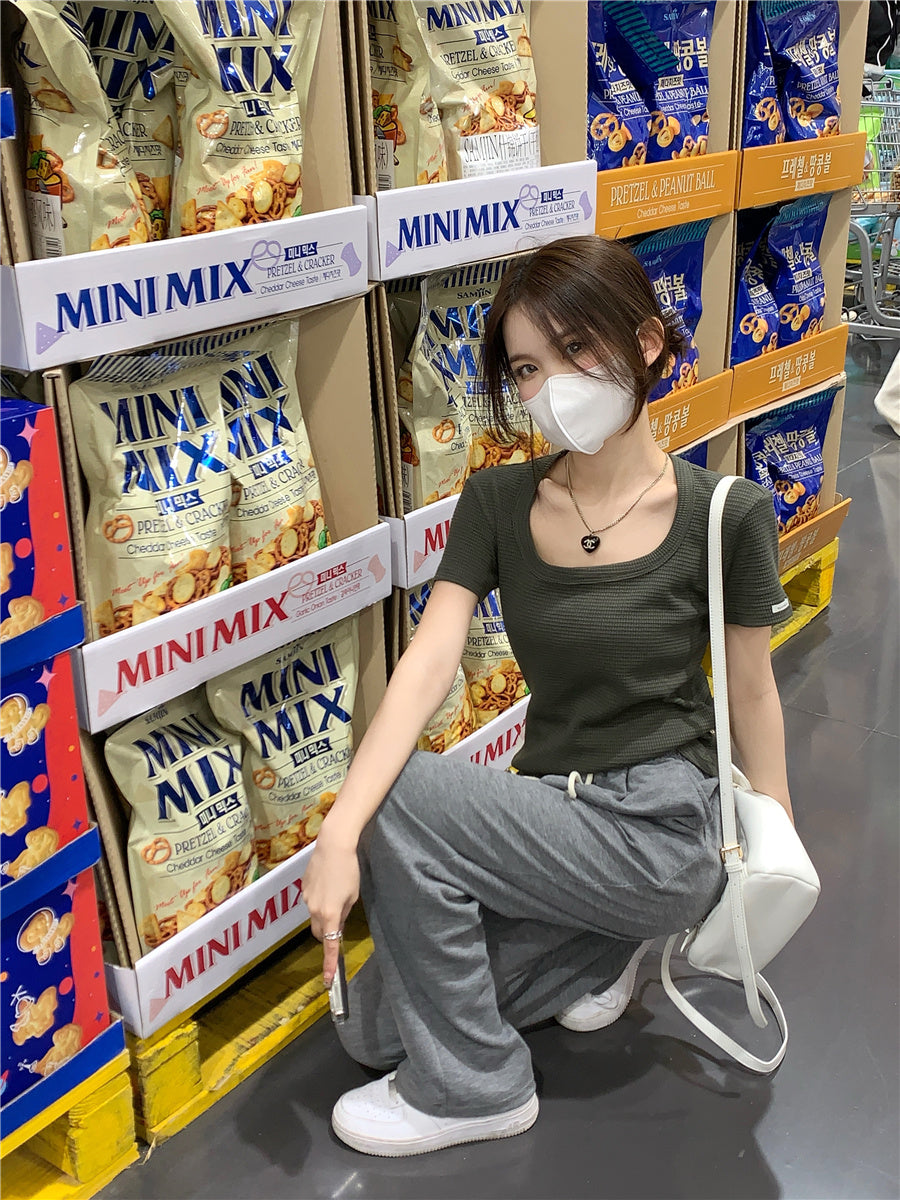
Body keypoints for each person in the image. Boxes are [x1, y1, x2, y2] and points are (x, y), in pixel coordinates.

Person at [302, 235, 794, 1158]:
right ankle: (605, 942)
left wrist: (776, 840)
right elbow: (430, 658)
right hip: (557, 810)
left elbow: (753, 688)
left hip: (662, 829)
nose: (553, 384)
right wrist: (337, 834)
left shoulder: (723, 513)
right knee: (372, 1030)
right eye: (528, 367)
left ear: (646, 342)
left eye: (576, 348)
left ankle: (474, 1088)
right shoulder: (497, 503)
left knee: (400, 795)